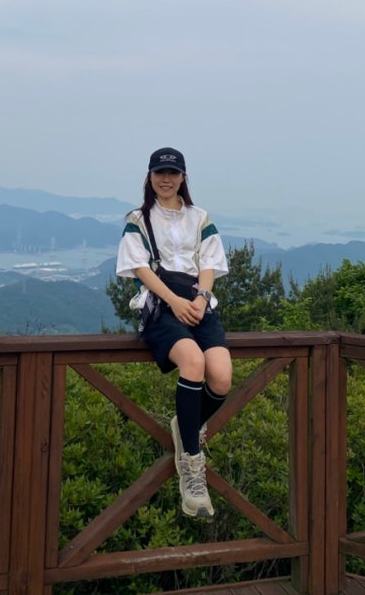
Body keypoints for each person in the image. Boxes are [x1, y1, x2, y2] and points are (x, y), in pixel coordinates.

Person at [115, 146, 232, 518]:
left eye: (173, 173)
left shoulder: (200, 217)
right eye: (159, 173)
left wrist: (201, 297)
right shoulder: (139, 219)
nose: (166, 179)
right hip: (160, 307)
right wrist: (174, 301)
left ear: (183, 177)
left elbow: (209, 264)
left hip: (198, 304)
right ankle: (192, 467)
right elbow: (139, 268)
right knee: (193, 363)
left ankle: (186, 426)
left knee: (222, 377)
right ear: (149, 177)